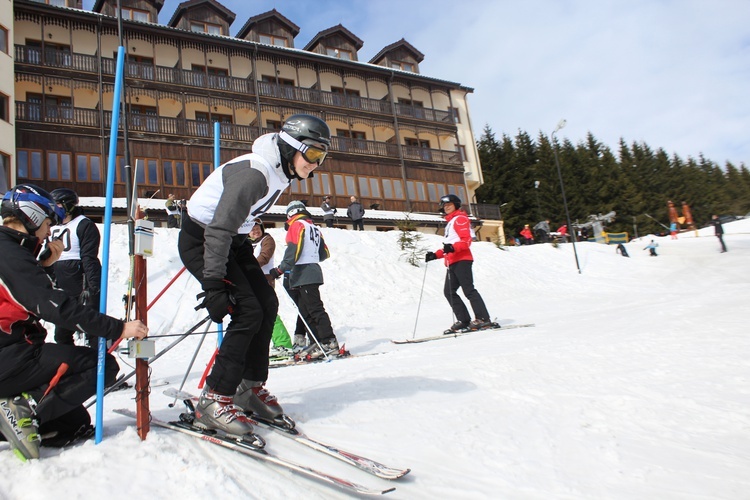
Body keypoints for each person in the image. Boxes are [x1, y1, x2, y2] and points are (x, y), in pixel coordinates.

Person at [177, 114, 330, 434]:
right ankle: (214, 398)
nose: (317, 163)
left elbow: (234, 227)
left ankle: (248, 386)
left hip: (233, 241)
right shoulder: (255, 173)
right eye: (314, 154)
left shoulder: (280, 170)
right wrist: (214, 284)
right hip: (205, 240)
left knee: (267, 304)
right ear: (292, 147)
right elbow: (217, 229)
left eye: (322, 156)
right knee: (247, 311)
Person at [0, 184, 148, 461]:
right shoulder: (10, 255)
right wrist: (118, 328)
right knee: (100, 364)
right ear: (31, 218)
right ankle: (22, 411)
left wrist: (43, 264)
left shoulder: (11, 251)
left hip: (11, 354)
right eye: (47, 224)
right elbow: (56, 307)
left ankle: (17, 413)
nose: (49, 232)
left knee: (73, 422)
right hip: (9, 355)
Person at [270, 201, 340, 359]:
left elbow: (293, 250)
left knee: (314, 309)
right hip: (310, 270)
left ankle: (329, 341)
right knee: (305, 311)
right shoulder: (314, 227)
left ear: (290, 214)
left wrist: (280, 269)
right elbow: (324, 253)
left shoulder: (296, 225)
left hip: (303, 272)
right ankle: (317, 342)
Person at [425, 194, 492, 333]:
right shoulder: (450, 222)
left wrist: (453, 248)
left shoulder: (460, 219)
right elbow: (449, 246)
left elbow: (466, 240)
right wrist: (435, 255)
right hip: (453, 261)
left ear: (456, 204)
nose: (446, 207)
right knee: (449, 292)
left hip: (462, 260)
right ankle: (464, 320)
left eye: (449, 204)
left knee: (468, 290)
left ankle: (483, 319)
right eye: (444, 205)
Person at [49, 188, 102, 347]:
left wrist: (93, 285)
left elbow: (89, 257)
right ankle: (70, 364)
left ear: (68, 205)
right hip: (62, 284)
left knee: (91, 328)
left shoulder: (84, 224)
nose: (55, 209)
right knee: (62, 333)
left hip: (81, 282)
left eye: (58, 205)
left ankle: (96, 364)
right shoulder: (51, 226)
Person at [248, 220, 292, 356]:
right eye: (252, 229)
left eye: (257, 228)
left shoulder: (267, 240)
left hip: (264, 279)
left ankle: (283, 343)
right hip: (251, 280)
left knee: (267, 311)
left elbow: (264, 257)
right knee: (255, 313)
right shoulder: (248, 243)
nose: (255, 231)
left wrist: (247, 266)